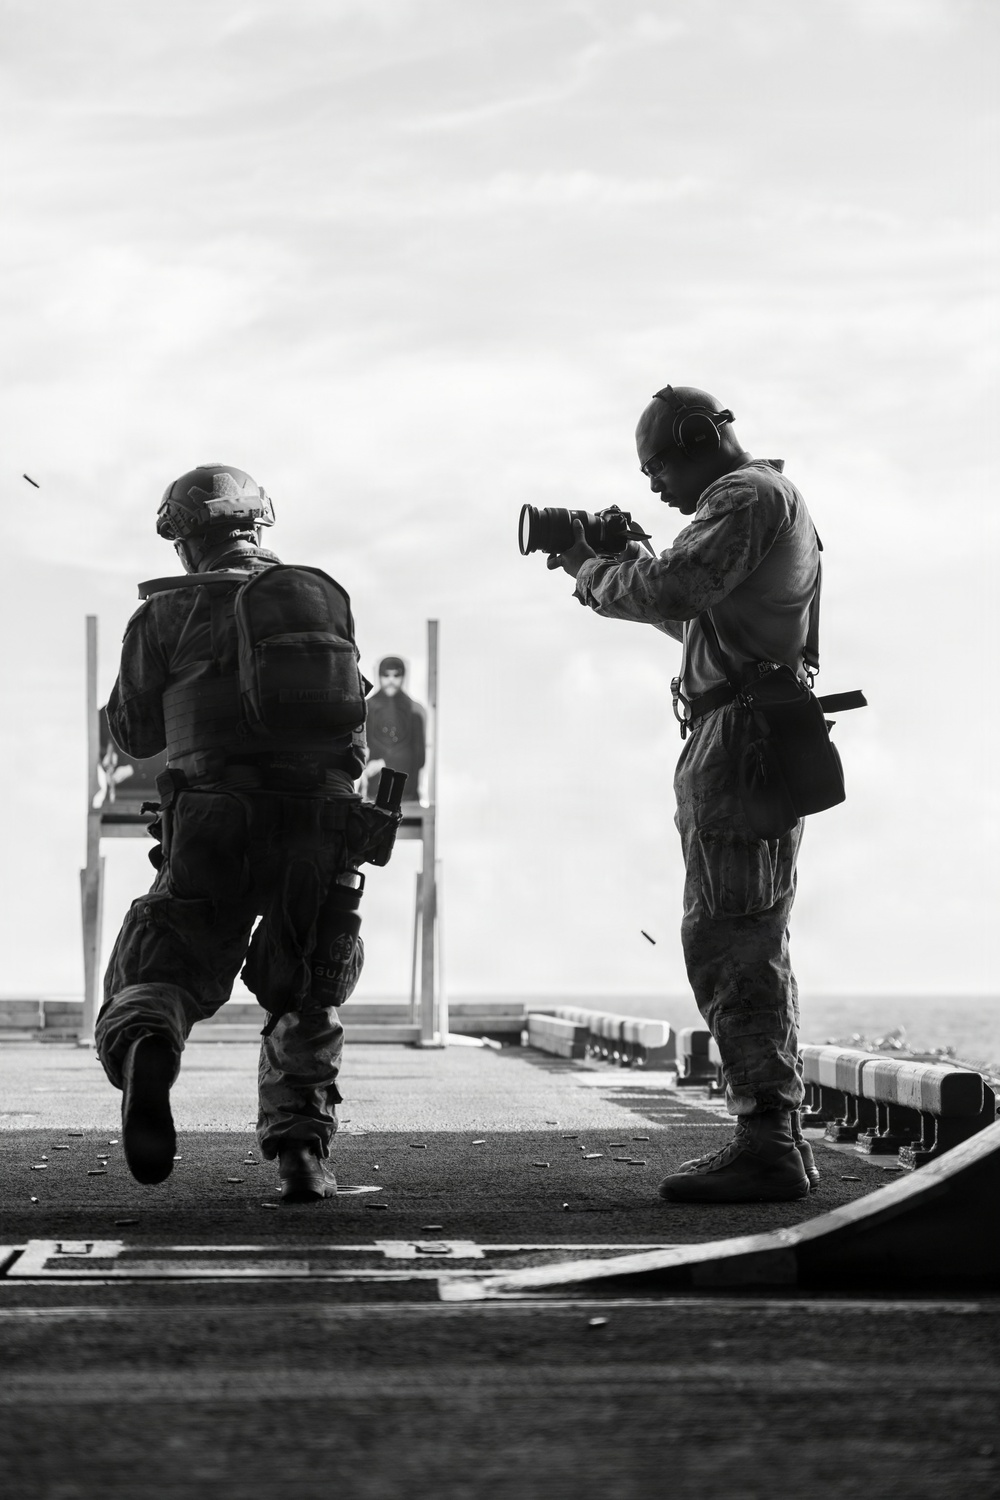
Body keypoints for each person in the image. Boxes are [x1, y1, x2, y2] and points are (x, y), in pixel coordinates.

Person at [546, 385, 820, 1204]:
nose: (657, 488)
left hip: (740, 737)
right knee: (747, 928)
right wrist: (605, 565)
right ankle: (777, 1136)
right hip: (750, 727)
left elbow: (672, 590)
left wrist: (595, 568)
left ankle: (765, 1138)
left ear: (700, 439)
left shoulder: (745, 494)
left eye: (658, 468)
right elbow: (696, 619)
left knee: (727, 932)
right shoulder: (767, 501)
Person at [95, 463, 393, 1203]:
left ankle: (149, 1046)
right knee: (306, 984)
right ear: (259, 523)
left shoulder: (166, 611)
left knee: (164, 957)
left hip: (213, 818)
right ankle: (301, 1156)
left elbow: (132, 731)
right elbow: (352, 730)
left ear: (186, 539)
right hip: (319, 821)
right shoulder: (317, 604)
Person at [363, 656, 426, 803]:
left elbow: (419, 756)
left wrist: (383, 763)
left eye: (396, 675)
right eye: (386, 675)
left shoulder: (414, 712)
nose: (391, 680)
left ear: (403, 676)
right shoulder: (367, 709)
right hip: (372, 793)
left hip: (406, 794)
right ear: (379, 676)